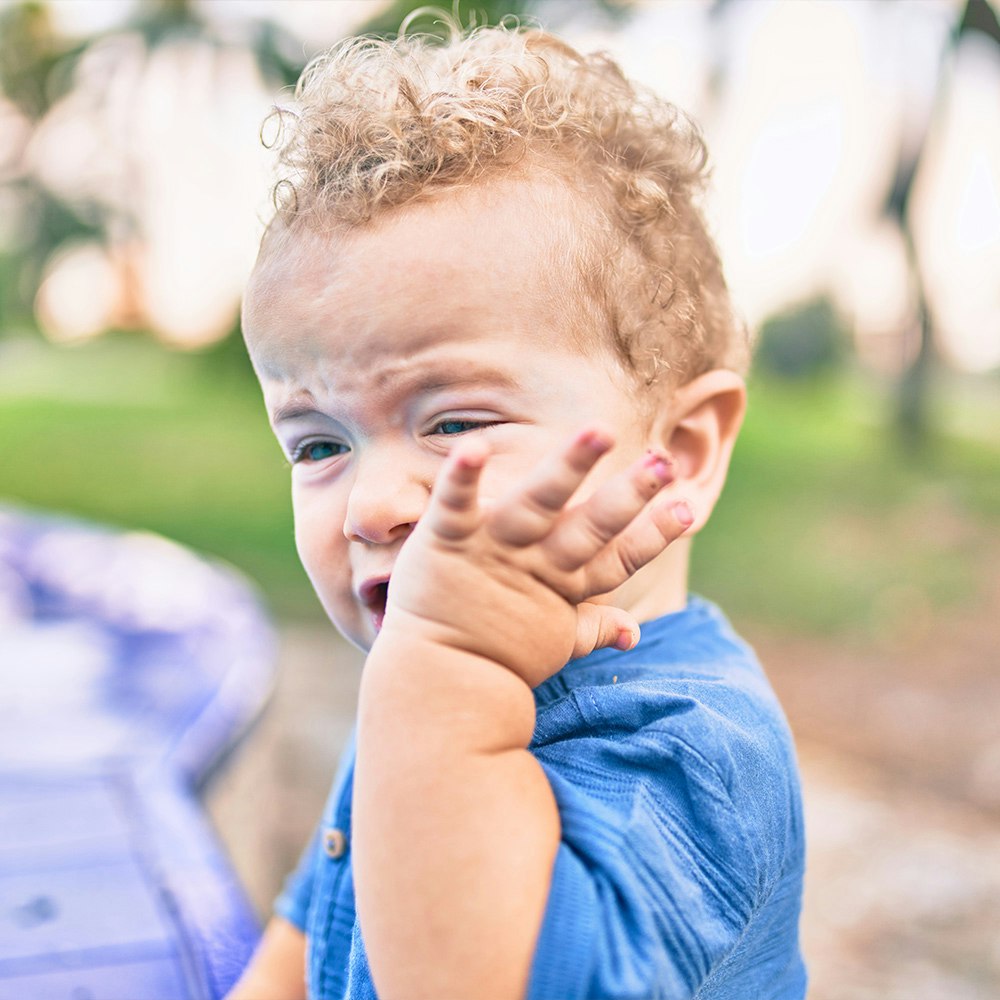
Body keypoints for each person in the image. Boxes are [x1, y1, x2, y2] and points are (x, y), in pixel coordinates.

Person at [228, 17, 806, 1000]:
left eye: (453, 422)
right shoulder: (435, 672)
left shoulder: (692, 748)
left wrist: (442, 673)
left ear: (682, 450)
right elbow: (312, 925)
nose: (373, 501)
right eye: (320, 443)